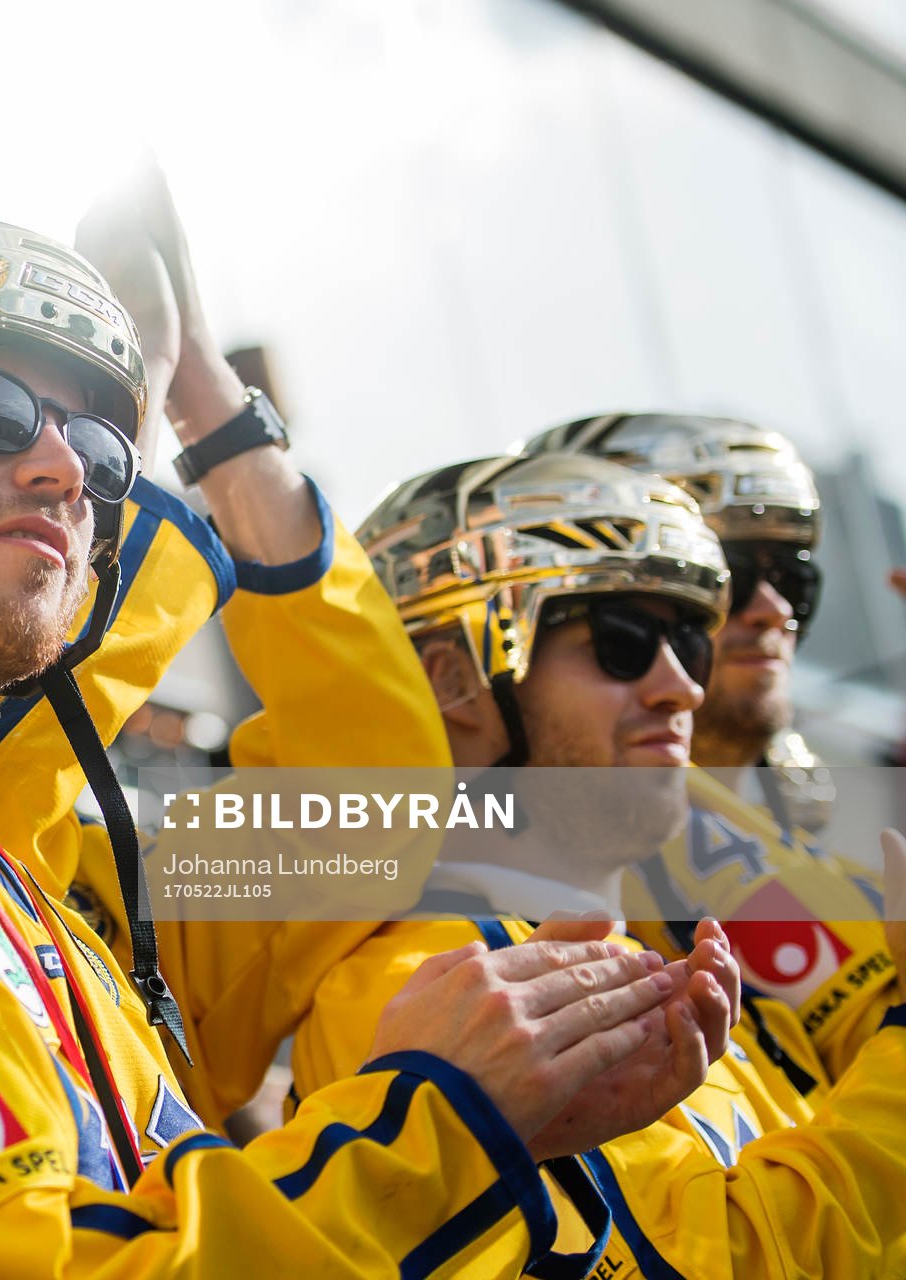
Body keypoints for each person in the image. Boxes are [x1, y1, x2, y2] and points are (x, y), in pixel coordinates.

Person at [0, 217, 727, 1278]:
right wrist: (440, 1117)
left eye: (103, 448)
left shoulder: (26, 894)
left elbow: (372, 803)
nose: (71, 469)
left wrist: (207, 399)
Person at [291, 449, 906, 1277]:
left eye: (690, 641)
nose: (682, 687)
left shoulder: (668, 966)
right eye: (623, 641)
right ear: (451, 678)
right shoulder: (430, 987)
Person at [523, 414, 897, 1080]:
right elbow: (874, 1024)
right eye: (727, 575)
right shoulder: (651, 818)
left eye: (793, 576)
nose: (773, 608)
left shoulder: (808, 796)